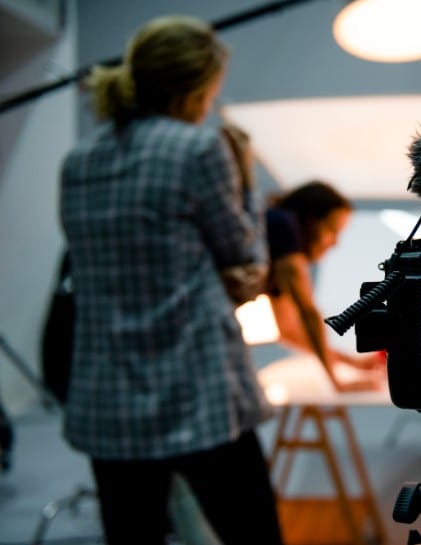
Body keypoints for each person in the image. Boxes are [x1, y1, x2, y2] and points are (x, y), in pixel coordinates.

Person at [59, 15, 282, 545]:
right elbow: (245, 254)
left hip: (108, 394)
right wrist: (246, 174)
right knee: (254, 534)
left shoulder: (78, 160)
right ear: (198, 87)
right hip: (195, 390)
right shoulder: (199, 149)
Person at [264, 181, 385, 391]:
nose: (334, 243)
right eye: (332, 230)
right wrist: (337, 383)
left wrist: (351, 362)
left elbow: (289, 332)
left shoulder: (276, 247)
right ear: (311, 222)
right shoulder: (283, 225)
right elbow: (308, 314)